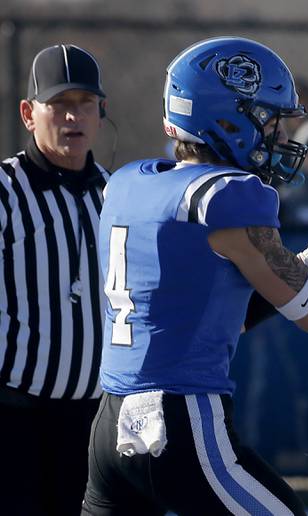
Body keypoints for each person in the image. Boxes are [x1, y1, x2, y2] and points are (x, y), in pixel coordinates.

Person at [81, 37, 308, 515]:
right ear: (229, 118)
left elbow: (218, 313)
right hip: (180, 418)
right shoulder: (229, 195)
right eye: (269, 121)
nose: (278, 136)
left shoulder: (129, 182)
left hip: (109, 424)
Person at [0, 44, 109, 516]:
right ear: (29, 113)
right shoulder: (4, 192)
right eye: (59, 103)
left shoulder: (116, 193)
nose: (74, 117)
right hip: (12, 419)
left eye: (85, 104)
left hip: (92, 421)